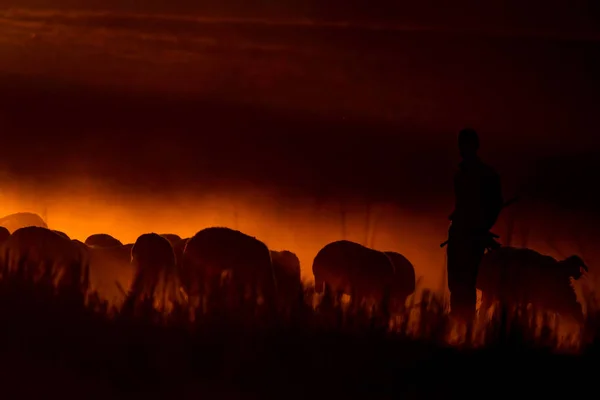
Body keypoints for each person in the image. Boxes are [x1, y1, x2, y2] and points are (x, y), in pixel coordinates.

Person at [446, 128, 503, 321]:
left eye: (466, 144)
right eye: (461, 144)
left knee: (466, 282)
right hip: (459, 234)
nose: (462, 148)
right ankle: (459, 322)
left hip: (470, 236)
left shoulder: (485, 175)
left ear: (475, 146)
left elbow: (494, 205)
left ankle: (465, 325)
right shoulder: (460, 174)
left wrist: (480, 227)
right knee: (456, 283)